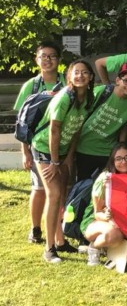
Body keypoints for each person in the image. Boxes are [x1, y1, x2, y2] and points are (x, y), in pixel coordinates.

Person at [31, 60, 95, 263]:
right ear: (69, 76)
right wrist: (55, 161)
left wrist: (68, 157)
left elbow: (76, 131)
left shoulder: (87, 99)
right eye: (76, 72)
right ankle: (49, 248)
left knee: (64, 194)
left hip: (63, 153)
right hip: (44, 149)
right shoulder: (64, 98)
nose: (80, 76)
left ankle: (61, 241)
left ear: (91, 77)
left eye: (85, 72)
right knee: (54, 194)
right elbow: (54, 129)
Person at [13, 41, 67, 244]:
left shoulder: (66, 81)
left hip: (63, 144)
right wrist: (24, 152)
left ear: (59, 60)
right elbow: (22, 122)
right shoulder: (32, 85)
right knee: (40, 189)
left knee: (62, 188)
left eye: (52, 56)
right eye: (43, 56)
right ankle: (36, 229)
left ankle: (58, 229)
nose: (47, 60)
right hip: (39, 146)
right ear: (36, 60)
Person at [75, 63, 127, 181]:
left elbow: (124, 126)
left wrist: (121, 148)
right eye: (126, 81)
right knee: (82, 186)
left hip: (107, 151)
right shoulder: (102, 91)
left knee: (106, 187)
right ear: (117, 80)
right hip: (84, 147)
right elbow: (81, 113)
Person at [80, 143, 127, 266]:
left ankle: (107, 247)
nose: (124, 162)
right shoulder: (105, 179)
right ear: (112, 161)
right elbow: (97, 213)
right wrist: (107, 216)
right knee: (114, 235)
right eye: (118, 158)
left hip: (124, 223)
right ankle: (94, 247)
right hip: (97, 222)